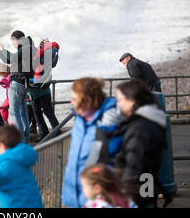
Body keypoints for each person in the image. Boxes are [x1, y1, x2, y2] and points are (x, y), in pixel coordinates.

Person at [62, 77, 117, 208]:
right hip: (73, 194)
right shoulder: (80, 120)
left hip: (99, 197)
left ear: (88, 99)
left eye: (75, 99)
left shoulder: (111, 120)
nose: (71, 102)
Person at [114, 79, 167, 208]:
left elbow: (136, 169)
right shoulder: (147, 122)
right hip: (145, 190)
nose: (117, 104)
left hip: (136, 195)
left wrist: (120, 197)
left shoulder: (140, 129)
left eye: (120, 100)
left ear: (132, 101)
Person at [0, 30, 38, 143]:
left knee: (14, 113)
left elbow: (11, 59)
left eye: (13, 41)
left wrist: (3, 49)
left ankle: (21, 139)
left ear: (17, 40)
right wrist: (0, 52)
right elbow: (9, 59)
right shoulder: (28, 48)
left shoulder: (25, 48)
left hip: (17, 83)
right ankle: (25, 138)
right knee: (23, 112)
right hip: (23, 84)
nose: (13, 44)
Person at [27, 39, 60, 141]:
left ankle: (44, 134)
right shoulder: (52, 57)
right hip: (45, 89)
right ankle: (57, 132)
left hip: (34, 90)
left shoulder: (38, 56)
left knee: (38, 114)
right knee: (48, 113)